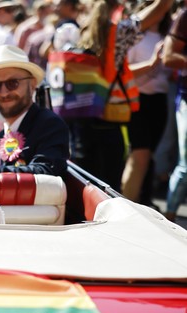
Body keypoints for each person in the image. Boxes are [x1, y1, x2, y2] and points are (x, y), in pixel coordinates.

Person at [71, 0, 173, 192]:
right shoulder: (119, 32)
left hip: (81, 117)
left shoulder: (76, 32)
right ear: (116, 7)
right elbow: (160, 10)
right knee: (109, 184)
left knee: (86, 183)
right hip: (110, 115)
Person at [0, 45, 70, 176]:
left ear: (32, 85)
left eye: (12, 83)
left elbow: (45, 172)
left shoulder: (49, 125)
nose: (4, 92)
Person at [121, 3, 172, 207]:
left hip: (159, 101)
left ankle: (143, 201)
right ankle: (127, 207)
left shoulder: (167, 35)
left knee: (147, 156)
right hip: (136, 100)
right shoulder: (133, 36)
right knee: (139, 156)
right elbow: (124, 73)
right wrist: (151, 64)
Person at [164, 7, 187, 222]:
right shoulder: (185, 16)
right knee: (186, 165)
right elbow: (168, 56)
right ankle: (168, 219)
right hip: (186, 98)